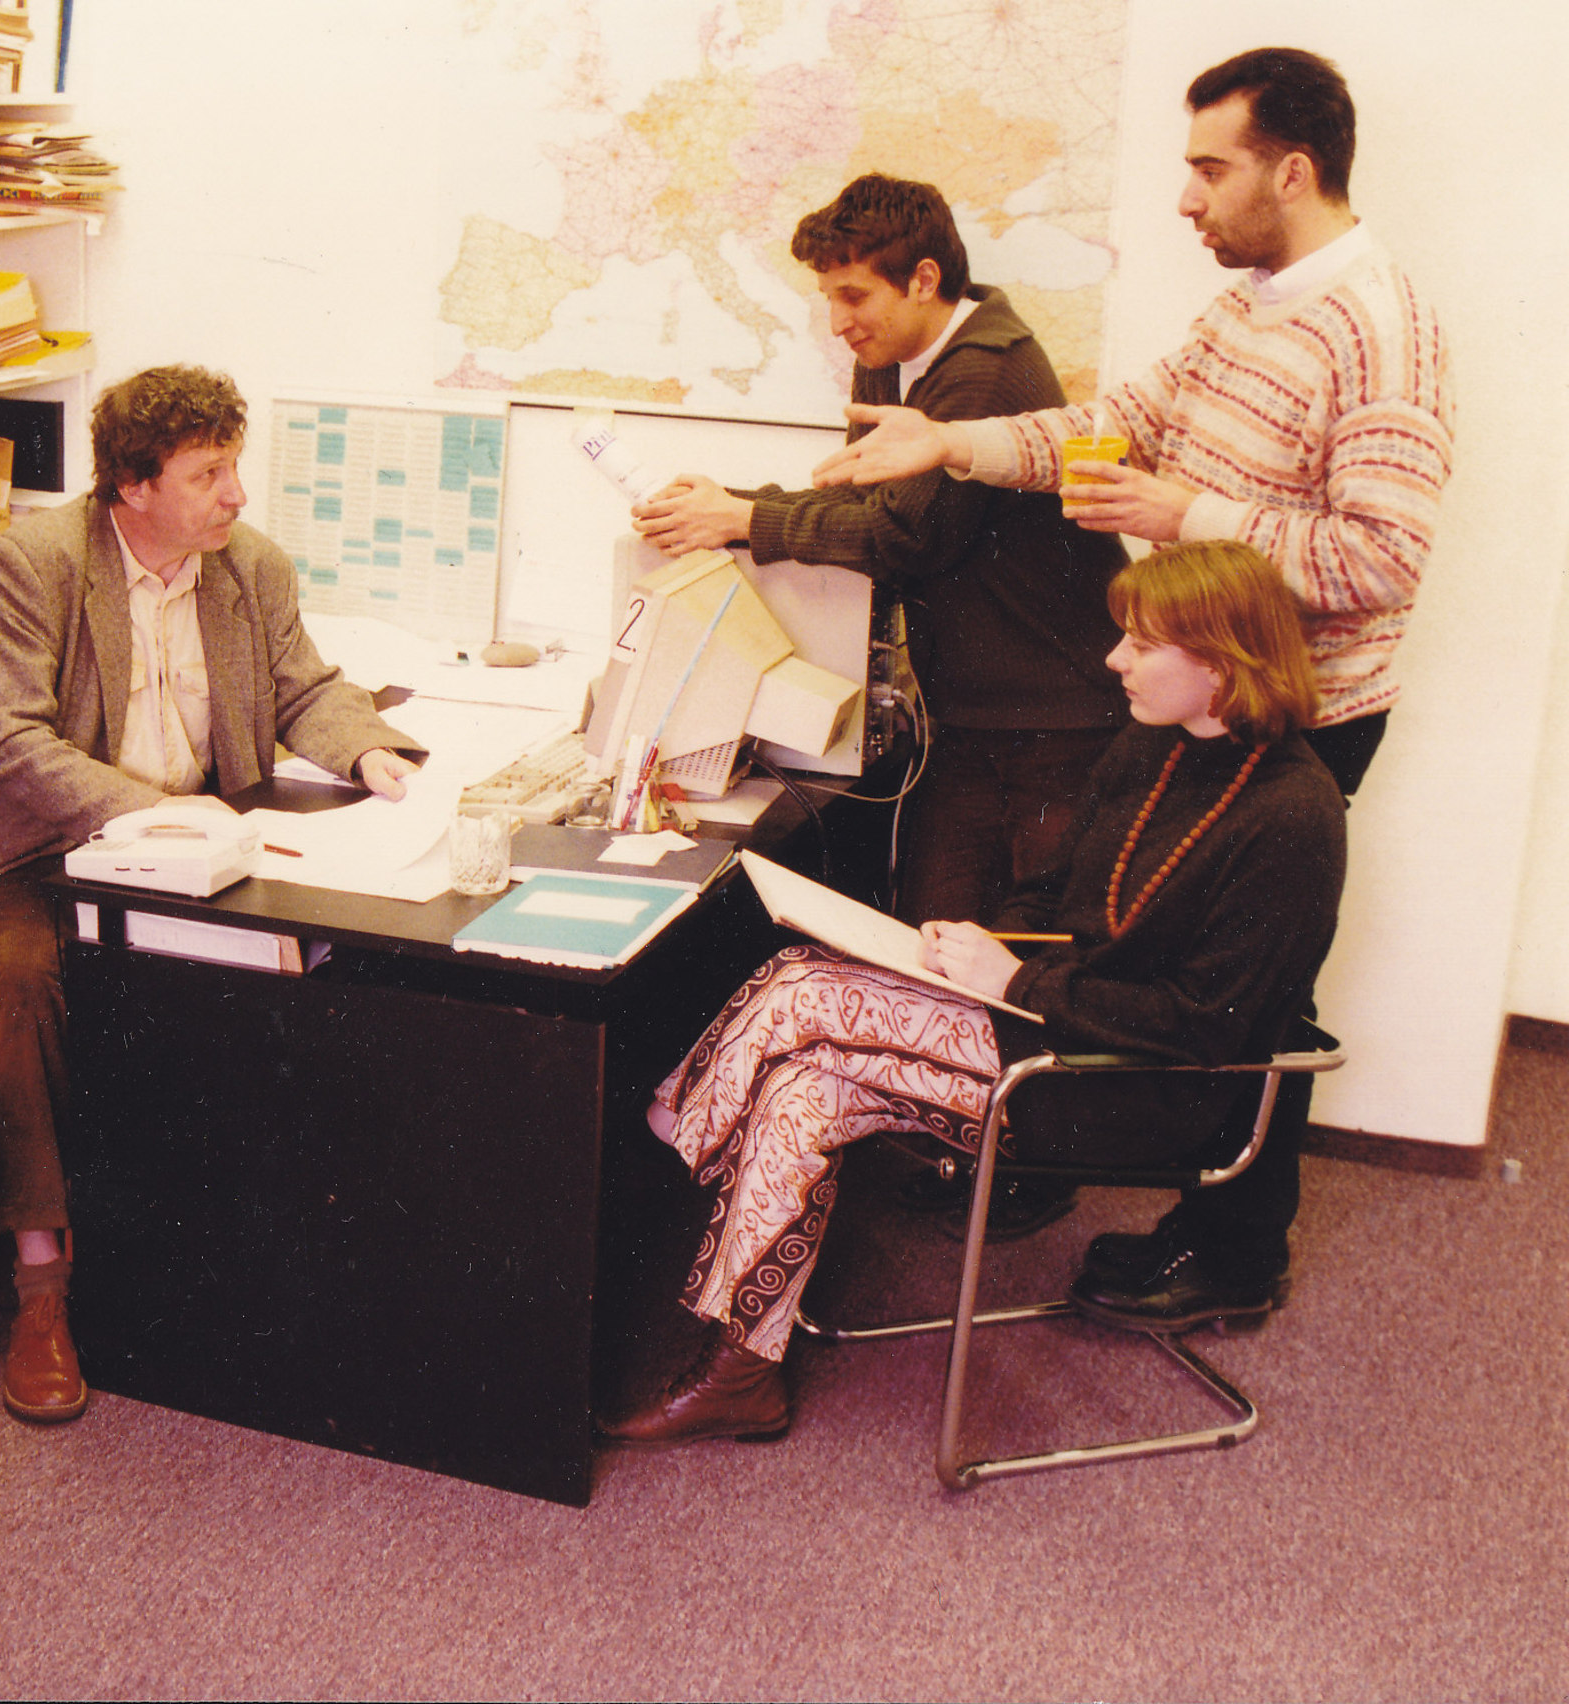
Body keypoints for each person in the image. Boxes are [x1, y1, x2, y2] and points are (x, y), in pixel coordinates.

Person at [811, 46, 1450, 1318]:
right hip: (1204, 693)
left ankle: (1234, 1254)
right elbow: (1111, 428)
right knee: (1150, 941)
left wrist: (1183, 512)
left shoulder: (1380, 327)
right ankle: (1127, 1185)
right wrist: (952, 441)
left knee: (1257, 989)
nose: (1187, 198)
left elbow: (1382, 559)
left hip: (1296, 710)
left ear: (1293, 171)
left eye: (1210, 169)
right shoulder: (1247, 307)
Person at [604, 540, 1343, 1446]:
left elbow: (1205, 1026)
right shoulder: (1152, 747)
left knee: (800, 985)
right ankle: (741, 1374)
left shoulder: (1294, 817)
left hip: (1130, 1087)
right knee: (801, 1089)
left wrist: (1018, 979)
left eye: (1143, 644)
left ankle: (671, 1138)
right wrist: (982, 946)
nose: (1114, 658)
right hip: (1048, 1024)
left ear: (1223, 666)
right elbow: (1054, 892)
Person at [0, 364, 424, 1424]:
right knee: (22, 986)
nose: (237, 494)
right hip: (43, 850)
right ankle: (40, 1283)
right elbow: (5, 738)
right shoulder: (39, 563)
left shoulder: (251, 566)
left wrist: (369, 752)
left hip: (202, 844)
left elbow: (304, 687)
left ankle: (248, 1246)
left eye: (234, 465)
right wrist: (146, 811)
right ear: (132, 486)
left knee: (305, 967)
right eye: (208, 474)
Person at [633, 174, 1128, 934]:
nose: (838, 322)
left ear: (924, 280)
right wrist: (728, 507)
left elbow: (905, 537)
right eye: (829, 298)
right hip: (971, 717)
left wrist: (742, 518)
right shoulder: (893, 356)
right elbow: (864, 503)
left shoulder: (987, 368)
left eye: (854, 296)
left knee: (1024, 947)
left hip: (1054, 723)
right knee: (931, 935)